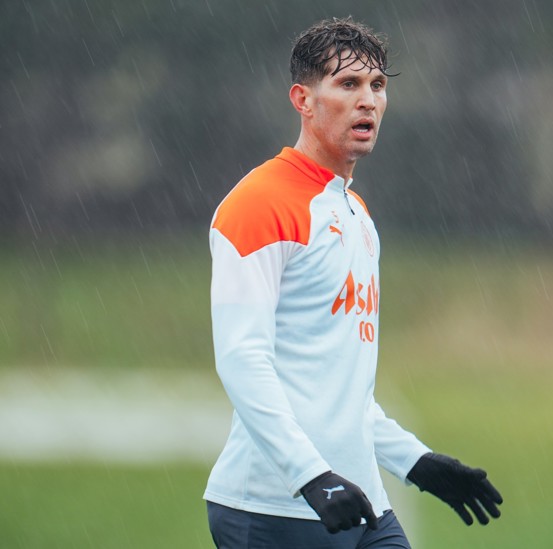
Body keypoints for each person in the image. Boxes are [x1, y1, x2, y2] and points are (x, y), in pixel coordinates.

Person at [204, 17, 503, 548]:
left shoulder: (357, 215)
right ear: (303, 99)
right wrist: (310, 478)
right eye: (348, 84)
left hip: (360, 503)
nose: (368, 100)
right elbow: (242, 360)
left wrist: (415, 461)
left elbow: (342, 385)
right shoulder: (258, 203)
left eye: (378, 86)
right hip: (276, 510)